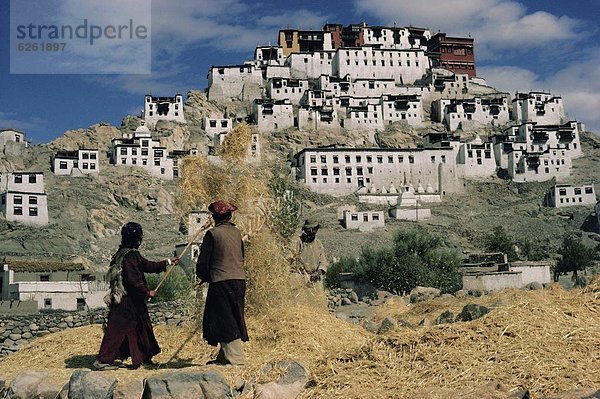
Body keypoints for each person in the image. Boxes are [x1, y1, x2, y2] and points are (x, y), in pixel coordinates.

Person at [94, 222, 179, 370]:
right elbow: (133, 280)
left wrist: (168, 262)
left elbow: (147, 265)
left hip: (129, 300)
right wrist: (146, 292)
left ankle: (145, 357)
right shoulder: (130, 255)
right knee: (116, 331)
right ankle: (103, 360)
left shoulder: (124, 253)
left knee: (142, 327)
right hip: (127, 301)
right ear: (137, 238)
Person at [196, 200, 248, 366]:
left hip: (221, 282)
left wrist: (205, 276)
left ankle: (235, 359)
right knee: (232, 315)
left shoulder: (213, 234)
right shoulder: (237, 233)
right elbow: (241, 255)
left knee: (224, 318)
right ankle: (223, 356)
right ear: (230, 215)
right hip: (239, 280)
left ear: (214, 217)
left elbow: (203, 263)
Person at [294, 219, 329, 285]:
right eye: (311, 230)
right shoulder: (298, 242)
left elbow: (323, 262)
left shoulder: (318, 243)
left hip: (314, 281)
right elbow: (291, 259)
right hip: (299, 279)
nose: (314, 232)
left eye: (315, 230)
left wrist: (318, 273)